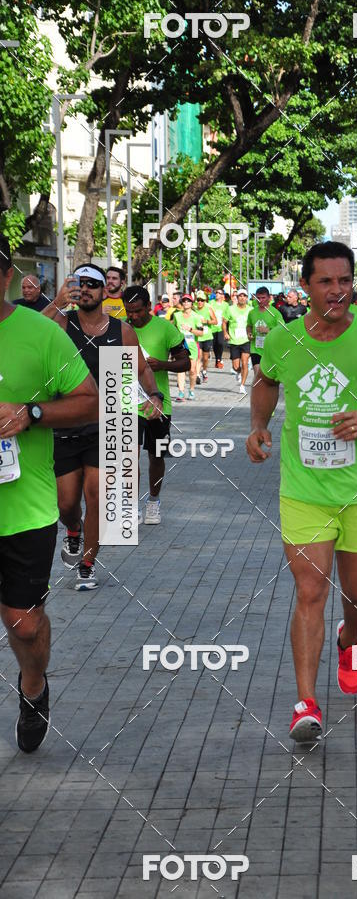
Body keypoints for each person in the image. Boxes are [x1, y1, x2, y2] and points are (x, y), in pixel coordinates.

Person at [246, 241, 357, 742]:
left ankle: (352, 637)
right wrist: (258, 425)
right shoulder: (283, 339)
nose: (338, 291)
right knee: (309, 589)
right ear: (305, 287)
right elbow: (266, 380)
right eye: (326, 281)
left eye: (345, 281)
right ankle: (305, 703)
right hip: (302, 488)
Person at [0, 235, 98, 751]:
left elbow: (89, 402)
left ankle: (33, 686)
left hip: (23, 507)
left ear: (6, 277)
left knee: (22, 622)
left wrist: (30, 413)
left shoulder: (40, 335)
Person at [42, 264, 163, 588]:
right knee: (66, 503)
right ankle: (73, 529)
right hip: (64, 426)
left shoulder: (120, 331)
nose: (86, 290)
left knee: (96, 495)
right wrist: (56, 301)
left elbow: (140, 369)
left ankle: (87, 563)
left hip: (105, 425)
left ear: (104, 291)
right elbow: (29, 335)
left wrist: (154, 395)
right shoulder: (62, 324)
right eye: (80, 284)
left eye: (93, 284)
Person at [124, 286, 191, 524]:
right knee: (128, 456)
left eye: (138, 311)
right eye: (129, 311)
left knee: (156, 455)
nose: (133, 316)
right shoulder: (119, 329)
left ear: (149, 305)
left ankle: (153, 501)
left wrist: (162, 365)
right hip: (127, 404)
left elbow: (185, 363)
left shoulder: (165, 328)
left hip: (158, 404)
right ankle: (130, 507)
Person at [172, 295, 203, 400]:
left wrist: (190, 329)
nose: (186, 303)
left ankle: (192, 390)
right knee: (181, 369)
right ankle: (181, 392)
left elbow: (201, 333)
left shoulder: (196, 316)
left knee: (192, 370)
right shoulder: (177, 315)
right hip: (180, 347)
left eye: (188, 301)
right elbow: (174, 328)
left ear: (191, 303)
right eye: (184, 301)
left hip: (192, 347)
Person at [223, 288, 252, 394]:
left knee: (245, 362)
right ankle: (238, 372)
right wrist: (225, 333)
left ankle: (242, 385)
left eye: (244, 296)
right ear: (237, 297)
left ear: (247, 298)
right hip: (234, 340)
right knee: (236, 366)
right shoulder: (230, 309)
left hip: (246, 340)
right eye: (240, 296)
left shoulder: (251, 310)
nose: (242, 298)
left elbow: (253, 323)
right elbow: (224, 322)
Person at [247, 286, 281, 377]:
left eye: (263, 298)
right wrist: (249, 333)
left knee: (269, 377)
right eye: (258, 298)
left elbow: (283, 331)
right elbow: (249, 325)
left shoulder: (275, 313)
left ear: (269, 298)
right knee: (258, 374)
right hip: (256, 348)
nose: (260, 300)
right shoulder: (252, 313)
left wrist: (268, 330)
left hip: (270, 349)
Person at [193, 292, 218, 383]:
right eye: (198, 300)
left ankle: (204, 371)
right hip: (197, 337)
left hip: (207, 336)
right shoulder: (194, 308)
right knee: (198, 356)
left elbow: (215, 321)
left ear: (205, 301)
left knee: (205, 358)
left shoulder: (208, 309)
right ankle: (197, 375)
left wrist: (206, 321)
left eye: (202, 300)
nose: (199, 302)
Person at [211, 288, 227, 368]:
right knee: (214, 345)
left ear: (222, 295)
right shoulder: (211, 303)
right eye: (216, 292)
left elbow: (228, 316)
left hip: (221, 327)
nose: (217, 294)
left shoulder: (226, 305)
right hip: (213, 327)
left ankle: (218, 359)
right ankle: (217, 359)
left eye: (219, 293)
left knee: (220, 343)